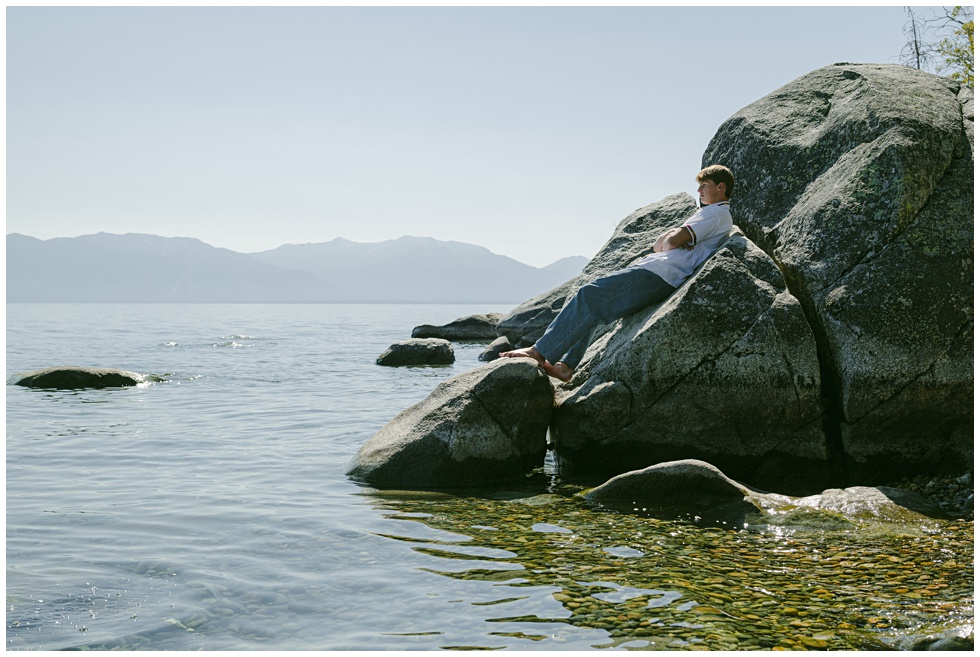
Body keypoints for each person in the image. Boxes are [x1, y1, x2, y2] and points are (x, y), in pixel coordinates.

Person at [501, 164, 734, 382]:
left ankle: (539, 352)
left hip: (659, 273)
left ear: (720, 187)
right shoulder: (715, 215)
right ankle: (565, 367)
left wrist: (673, 236)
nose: (699, 190)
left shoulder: (714, 214)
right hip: (659, 273)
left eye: (704, 185)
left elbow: (670, 242)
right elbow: (658, 245)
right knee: (595, 309)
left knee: (589, 295)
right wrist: (674, 237)